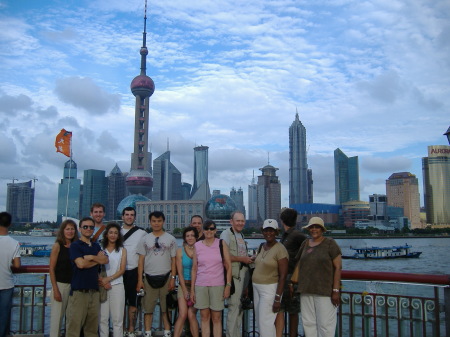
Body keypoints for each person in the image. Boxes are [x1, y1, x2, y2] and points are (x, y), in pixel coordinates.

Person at [291, 217, 342, 337]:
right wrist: (291, 283)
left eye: (317, 227)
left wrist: (335, 290)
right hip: (306, 290)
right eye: (312, 227)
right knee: (308, 324)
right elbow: (299, 264)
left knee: (325, 325)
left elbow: (338, 268)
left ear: (322, 229)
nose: (314, 229)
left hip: (324, 291)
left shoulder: (330, 243)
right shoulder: (305, 243)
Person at [65, 217, 109, 337]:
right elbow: (81, 264)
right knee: (73, 329)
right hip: (79, 292)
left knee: (92, 330)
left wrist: (91, 257)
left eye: (91, 227)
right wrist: (97, 259)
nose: (88, 229)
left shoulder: (96, 246)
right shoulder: (75, 245)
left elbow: (105, 259)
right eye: (85, 227)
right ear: (80, 229)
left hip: (94, 292)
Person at [136, 211, 177, 337]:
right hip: (148, 278)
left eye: (159, 221)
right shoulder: (144, 239)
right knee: (148, 308)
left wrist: (173, 278)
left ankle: (167, 331)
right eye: (154, 221)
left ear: (163, 222)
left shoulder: (171, 239)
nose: (156, 223)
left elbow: (173, 260)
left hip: (166, 277)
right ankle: (147, 332)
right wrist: (140, 280)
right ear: (150, 222)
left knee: (166, 308)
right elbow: (141, 261)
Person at [191, 220, 232, 337]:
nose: (209, 231)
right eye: (206, 228)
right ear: (203, 230)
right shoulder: (197, 245)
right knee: (204, 316)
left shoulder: (221, 243)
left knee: (217, 317)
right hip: (201, 284)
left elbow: (228, 266)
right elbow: (194, 268)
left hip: (217, 284)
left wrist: (228, 285)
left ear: (215, 230)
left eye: (212, 228)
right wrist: (193, 290)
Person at [252, 219, 288, 337]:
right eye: (266, 230)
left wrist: (278, 299)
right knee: (261, 322)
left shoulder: (280, 249)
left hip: (269, 289)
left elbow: (283, 275)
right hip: (256, 288)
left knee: (265, 323)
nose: (269, 233)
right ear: (263, 231)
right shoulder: (262, 247)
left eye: (271, 231)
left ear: (276, 232)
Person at [220, 211, 253, 337]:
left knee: (239, 309)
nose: (240, 223)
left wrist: (248, 258)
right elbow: (224, 256)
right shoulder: (226, 234)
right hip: (233, 277)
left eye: (242, 221)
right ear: (231, 221)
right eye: (237, 220)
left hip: (242, 276)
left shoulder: (241, 235)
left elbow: (240, 255)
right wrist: (242, 259)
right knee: (234, 308)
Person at [275, 208, 306, 337]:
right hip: (283, 277)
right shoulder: (285, 236)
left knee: (292, 310)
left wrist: (296, 276)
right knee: (281, 309)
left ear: (282, 221)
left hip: (292, 278)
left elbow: (305, 253)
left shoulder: (297, 235)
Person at [121, 207, 147, 337]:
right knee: (119, 303)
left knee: (133, 302)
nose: (129, 217)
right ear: (122, 217)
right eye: (127, 215)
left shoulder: (142, 233)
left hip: (134, 271)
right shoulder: (116, 232)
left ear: (135, 217)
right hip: (118, 273)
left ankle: (131, 329)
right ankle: (121, 329)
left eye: (132, 215)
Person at [49, 219, 78, 337]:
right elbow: (51, 268)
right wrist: (55, 290)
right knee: (57, 320)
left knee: (71, 320)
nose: (70, 231)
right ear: (63, 231)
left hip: (74, 286)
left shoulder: (76, 246)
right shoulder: (58, 246)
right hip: (60, 285)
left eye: (72, 229)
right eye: (67, 229)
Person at [99, 223, 127, 337]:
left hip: (117, 285)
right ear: (106, 235)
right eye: (110, 232)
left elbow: (122, 269)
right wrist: (103, 281)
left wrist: (108, 279)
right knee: (103, 319)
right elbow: (96, 268)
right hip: (102, 286)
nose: (113, 235)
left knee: (117, 319)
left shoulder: (122, 250)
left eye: (116, 233)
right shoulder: (100, 249)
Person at [173, 227, 199, 337]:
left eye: (192, 235)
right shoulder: (180, 251)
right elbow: (180, 272)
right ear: (184, 238)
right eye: (187, 236)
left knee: (191, 314)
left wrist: (192, 290)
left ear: (196, 237)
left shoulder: (200, 250)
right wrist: (184, 290)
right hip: (183, 284)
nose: (190, 238)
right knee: (182, 314)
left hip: (197, 285)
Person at [0, 212, 21, 337]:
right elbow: (17, 265)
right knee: (4, 317)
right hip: (6, 284)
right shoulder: (14, 243)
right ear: (10, 224)